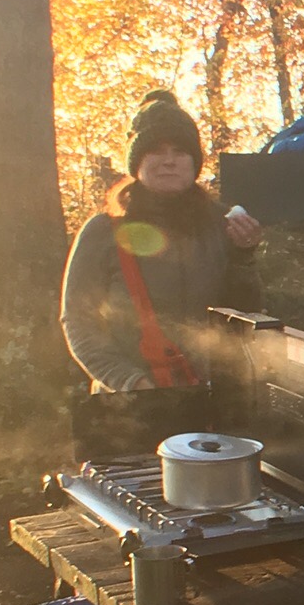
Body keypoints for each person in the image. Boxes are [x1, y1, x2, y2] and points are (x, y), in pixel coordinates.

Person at [61, 91, 263, 391]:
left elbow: (243, 320)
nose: (169, 161)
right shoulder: (102, 231)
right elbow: (78, 321)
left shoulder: (222, 225)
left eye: (180, 151)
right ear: (136, 162)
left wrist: (244, 256)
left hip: (209, 398)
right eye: (156, 150)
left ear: (194, 162)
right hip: (127, 403)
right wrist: (130, 381)